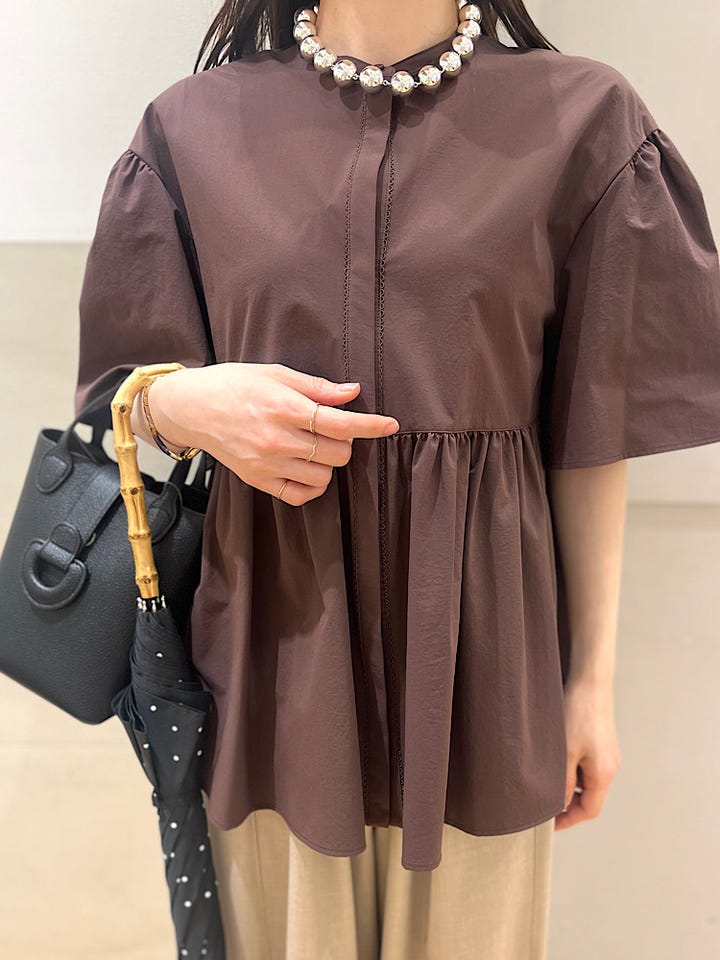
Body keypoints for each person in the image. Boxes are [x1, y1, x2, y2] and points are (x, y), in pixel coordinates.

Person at [73, 1, 720, 957]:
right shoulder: (191, 127)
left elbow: (591, 431)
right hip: (269, 668)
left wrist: (590, 684)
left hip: (488, 674)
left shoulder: (584, 119)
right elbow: (116, 398)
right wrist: (184, 403)